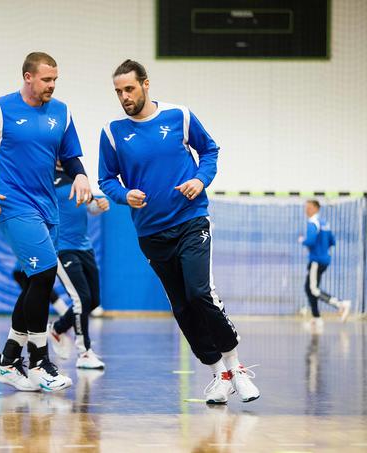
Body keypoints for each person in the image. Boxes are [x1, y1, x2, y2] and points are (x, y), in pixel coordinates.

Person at [98, 59, 259, 405]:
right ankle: (218, 373)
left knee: (200, 292)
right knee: (182, 307)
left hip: (191, 220)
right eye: (118, 92)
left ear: (145, 84)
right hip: (151, 233)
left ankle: (237, 367)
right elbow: (106, 179)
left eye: (129, 88)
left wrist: (200, 180)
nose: (124, 97)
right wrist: (124, 195)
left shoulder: (179, 116)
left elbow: (210, 151)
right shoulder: (112, 133)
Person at [0, 52, 92, 392]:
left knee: (39, 281)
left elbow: (70, 155)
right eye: (47, 79)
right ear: (28, 77)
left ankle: (7, 361)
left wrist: (82, 176)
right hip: (13, 205)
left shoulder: (61, 112)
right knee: (45, 274)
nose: (52, 86)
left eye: (55, 80)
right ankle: (40, 362)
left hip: (49, 208)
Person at [48, 164, 108, 369]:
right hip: (62, 248)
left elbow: (90, 207)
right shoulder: (45, 175)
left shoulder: (76, 174)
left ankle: (57, 328)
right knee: (81, 299)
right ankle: (84, 353)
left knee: (93, 300)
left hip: (84, 246)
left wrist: (99, 205)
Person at [299, 199, 351, 329]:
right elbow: (333, 241)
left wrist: (302, 240)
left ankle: (341, 304)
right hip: (325, 259)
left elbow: (310, 241)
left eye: (309, 208)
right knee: (309, 288)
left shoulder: (313, 223)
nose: (306, 210)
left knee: (313, 289)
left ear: (316, 208)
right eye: (306, 208)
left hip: (316, 260)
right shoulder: (325, 223)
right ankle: (316, 318)